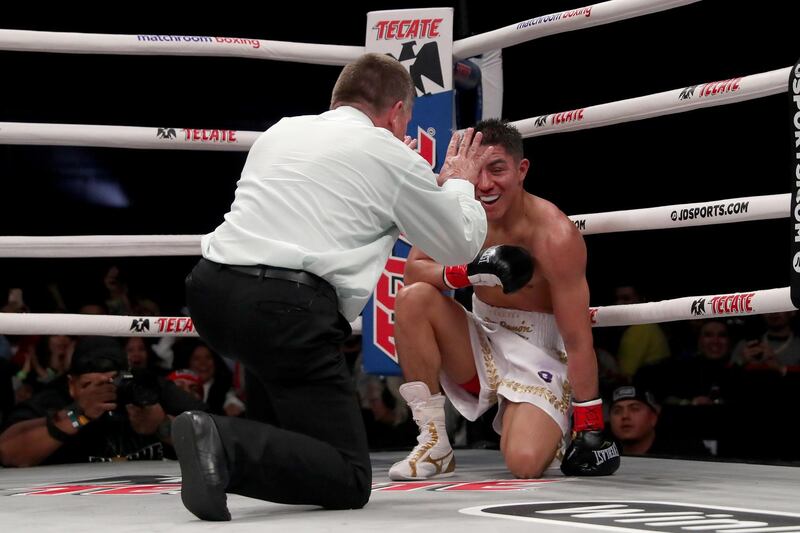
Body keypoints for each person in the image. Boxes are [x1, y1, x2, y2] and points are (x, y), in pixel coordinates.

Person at [176, 52, 492, 521]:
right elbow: (459, 245)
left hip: (211, 291)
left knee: (293, 436)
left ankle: (224, 444)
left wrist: (407, 182)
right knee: (346, 477)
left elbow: (339, 205)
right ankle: (222, 441)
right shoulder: (387, 154)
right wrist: (458, 186)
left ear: (336, 100)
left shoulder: (282, 130)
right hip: (285, 311)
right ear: (397, 112)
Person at [389, 119, 619, 481]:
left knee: (524, 464)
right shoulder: (460, 208)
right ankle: (433, 442)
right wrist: (468, 272)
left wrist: (589, 424)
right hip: (482, 337)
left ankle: (548, 429)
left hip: (540, 349)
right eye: (476, 171)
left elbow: (577, 340)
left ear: (521, 169)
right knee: (413, 299)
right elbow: (414, 271)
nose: (485, 185)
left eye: (497, 169)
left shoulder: (553, 234)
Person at [0, 336, 206, 466]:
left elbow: (216, 440)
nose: (103, 392)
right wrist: (77, 415)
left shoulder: (147, 388)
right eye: (90, 385)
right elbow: (8, 453)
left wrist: (162, 426)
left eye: (111, 381)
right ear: (71, 384)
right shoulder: (54, 398)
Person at [609, 385, 709, 457]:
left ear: (653, 418)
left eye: (635, 409)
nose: (625, 416)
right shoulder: (603, 455)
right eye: (617, 411)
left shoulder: (685, 452)